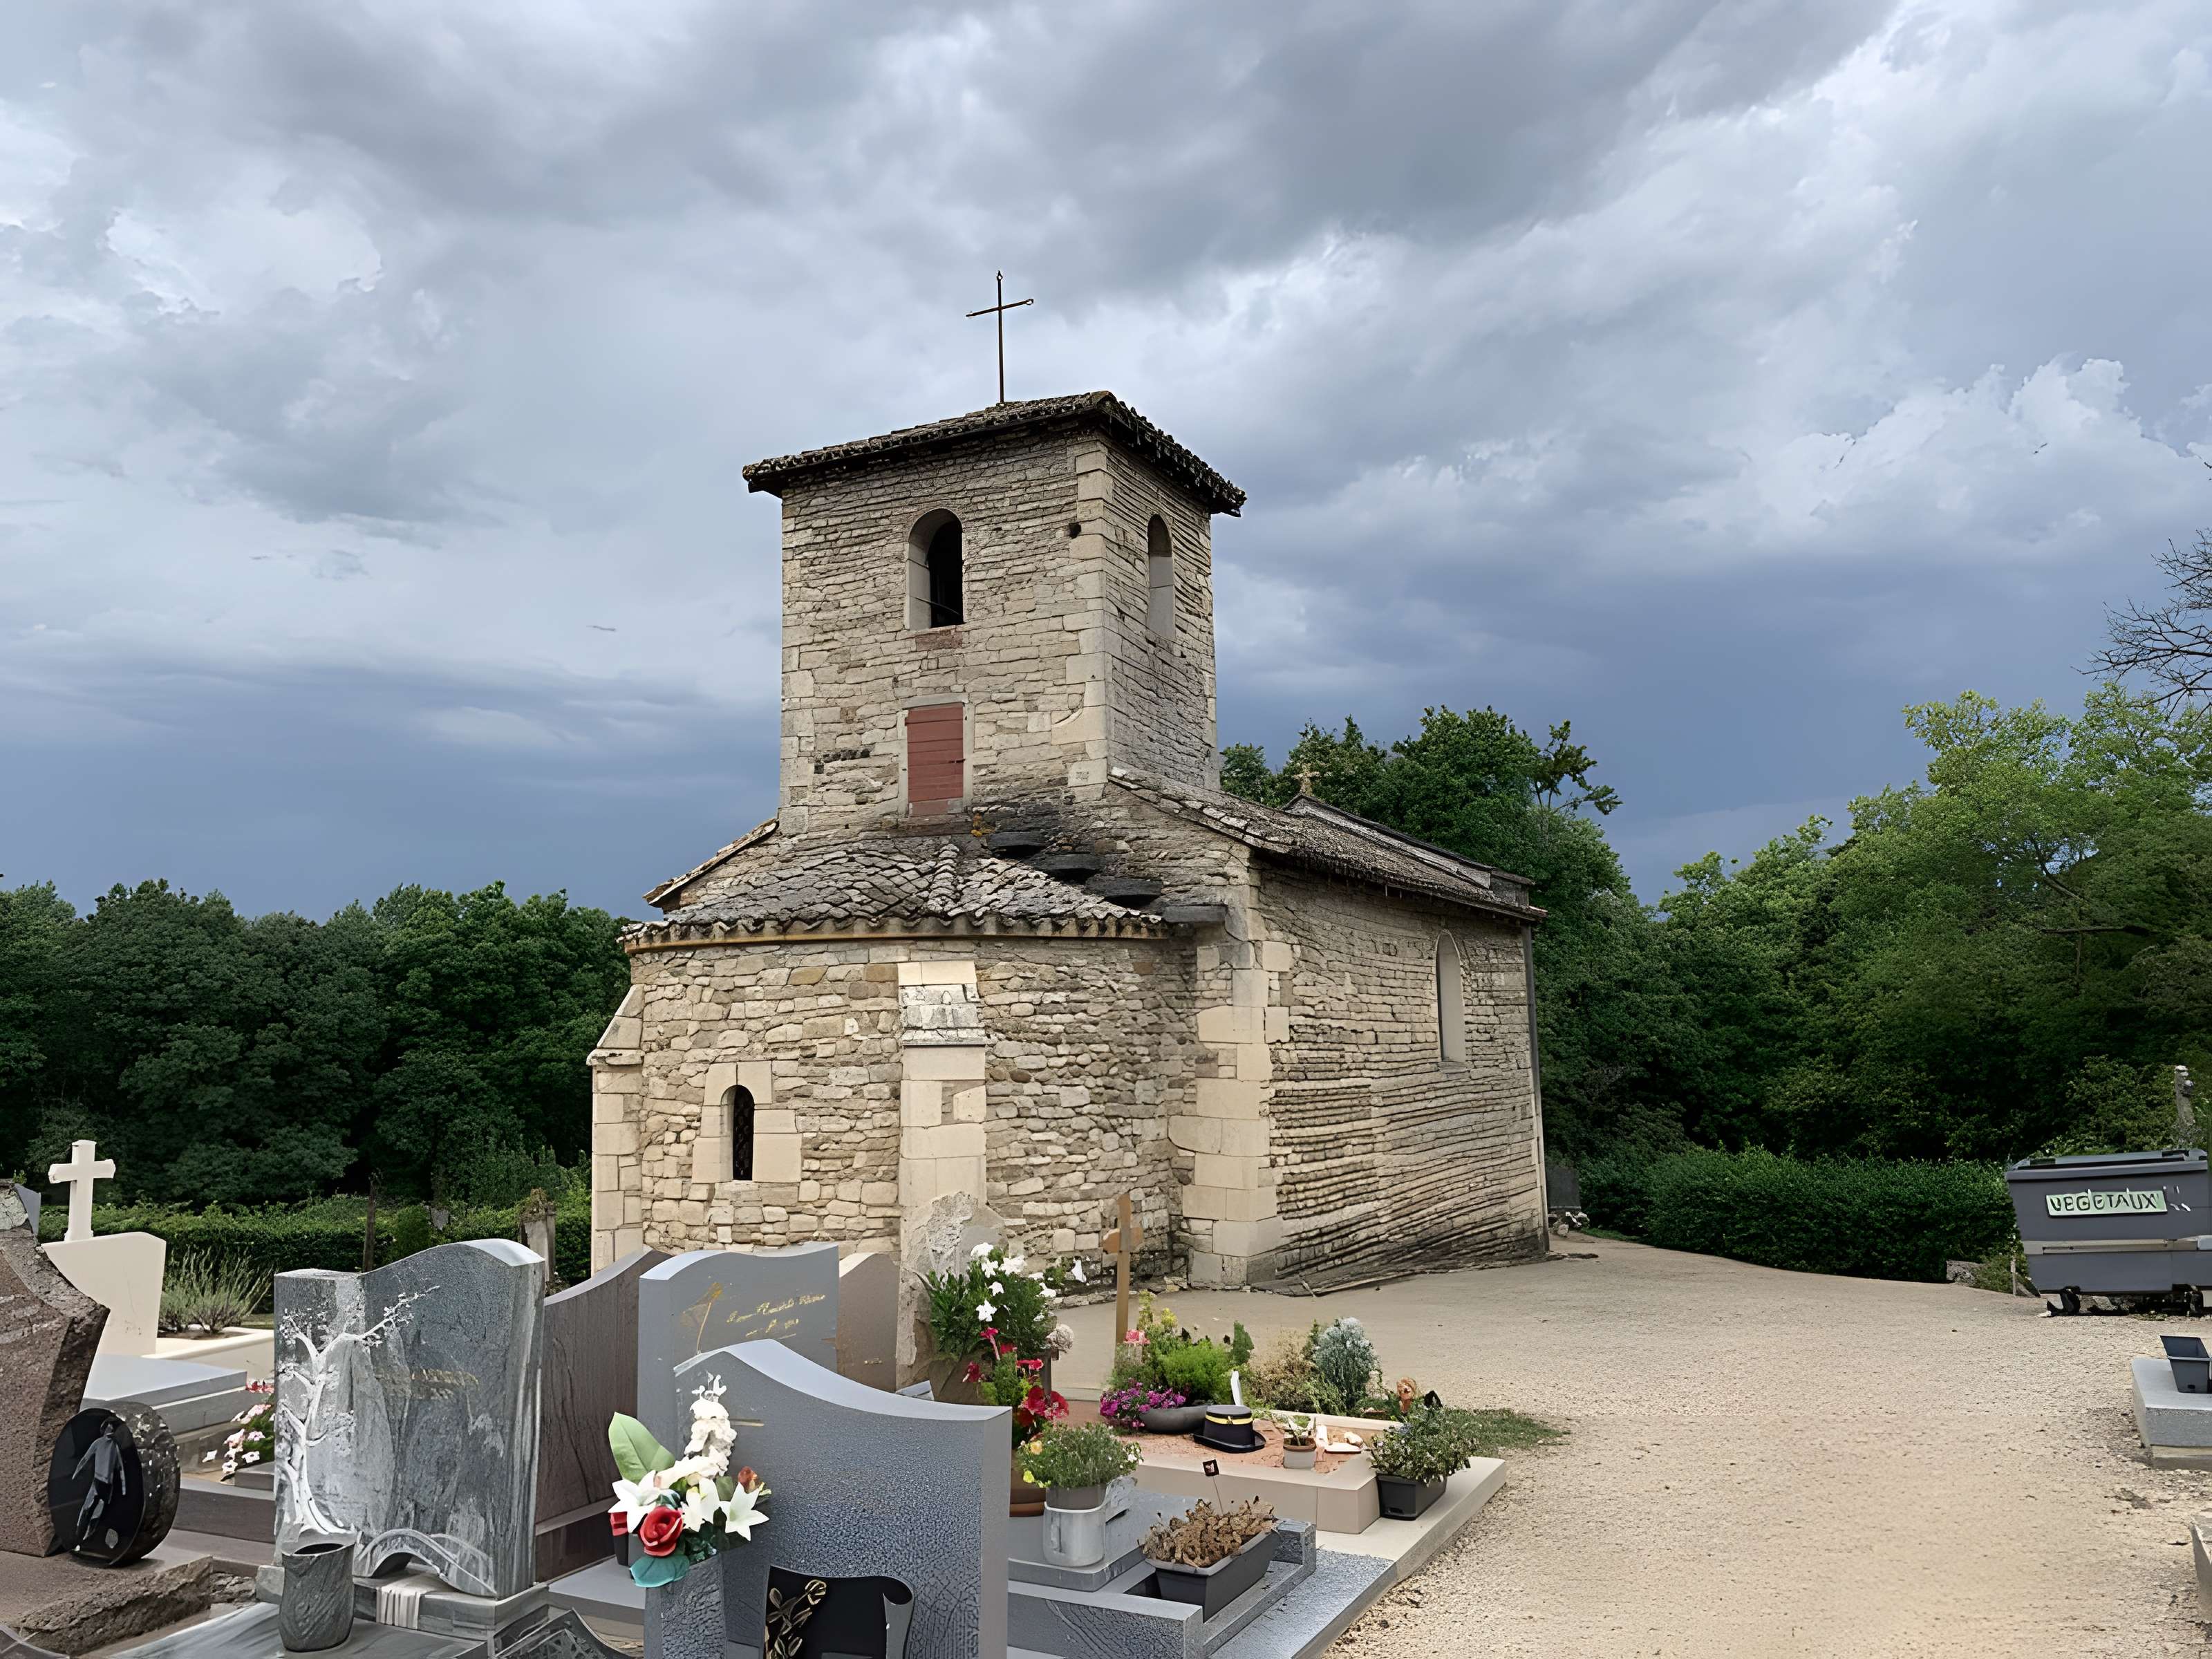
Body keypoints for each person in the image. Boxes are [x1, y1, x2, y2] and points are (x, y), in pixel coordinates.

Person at [70, 1419, 131, 1549]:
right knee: (87, 1509)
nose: (111, 1432)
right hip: (97, 1482)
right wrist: (76, 1474)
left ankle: (87, 1540)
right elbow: (85, 1459)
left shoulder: (115, 1446)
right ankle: (78, 1539)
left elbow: (121, 1468)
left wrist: (124, 1488)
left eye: (113, 1430)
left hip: (108, 1486)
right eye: (109, 1429)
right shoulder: (98, 1443)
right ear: (104, 1430)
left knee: (98, 1514)